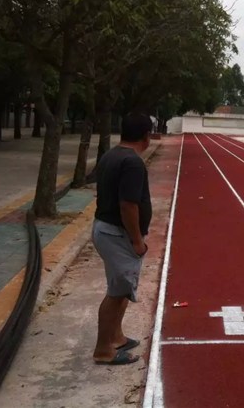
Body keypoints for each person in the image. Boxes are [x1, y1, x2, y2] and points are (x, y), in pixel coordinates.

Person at [92, 113, 153, 365]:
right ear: (147, 135)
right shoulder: (132, 162)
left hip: (106, 230)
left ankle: (116, 337)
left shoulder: (112, 154)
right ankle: (103, 350)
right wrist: (137, 240)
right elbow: (128, 205)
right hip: (118, 234)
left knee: (121, 287)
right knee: (117, 292)